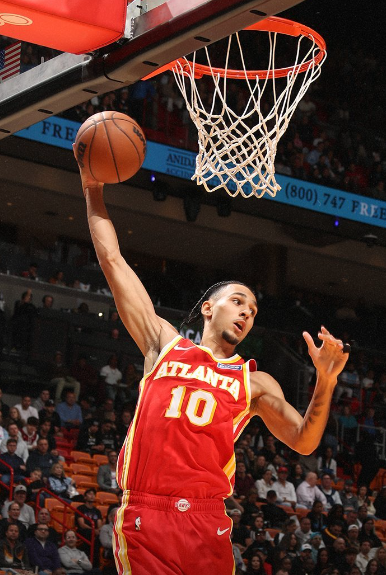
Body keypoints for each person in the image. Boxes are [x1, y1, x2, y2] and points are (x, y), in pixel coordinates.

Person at [76, 157, 350, 575]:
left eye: (252, 310)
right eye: (237, 301)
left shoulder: (254, 382)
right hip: (148, 514)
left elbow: (305, 441)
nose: (246, 312)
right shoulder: (164, 344)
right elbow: (112, 260)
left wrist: (326, 380)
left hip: (207, 522)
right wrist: (93, 188)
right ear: (208, 308)